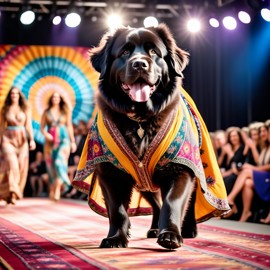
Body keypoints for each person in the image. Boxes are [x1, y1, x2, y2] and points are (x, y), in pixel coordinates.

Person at [225, 122, 270, 222]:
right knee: (247, 183)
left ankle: (230, 199)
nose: (261, 134)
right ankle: (246, 213)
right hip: (262, 176)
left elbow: (259, 164)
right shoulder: (265, 147)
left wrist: (252, 167)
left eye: (264, 131)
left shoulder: (258, 147)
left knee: (245, 172)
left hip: (266, 176)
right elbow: (237, 161)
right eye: (260, 132)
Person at [0, 86, 36, 204]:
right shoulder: (5, 109)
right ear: (10, 95)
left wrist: (32, 140)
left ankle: (12, 193)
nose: (14, 95)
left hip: (22, 140)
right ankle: (12, 191)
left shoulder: (25, 108)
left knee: (21, 167)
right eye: (12, 93)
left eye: (16, 93)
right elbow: (1, 127)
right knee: (12, 165)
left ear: (19, 95)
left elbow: (28, 126)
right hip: (8, 139)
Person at [40, 91, 76, 201]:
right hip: (50, 143)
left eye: (57, 97)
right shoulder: (46, 112)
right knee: (51, 168)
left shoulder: (65, 111)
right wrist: (46, 134)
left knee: (59, 163)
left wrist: (72, 141)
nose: (55, 99)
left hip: (64, 139)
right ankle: (53, 188)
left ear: (60, 99)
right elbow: (42, 128)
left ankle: (59, 187)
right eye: (54, 97)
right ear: (51, 99)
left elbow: (69, 126)